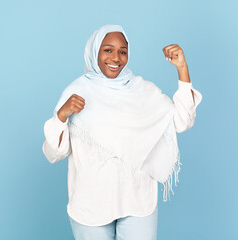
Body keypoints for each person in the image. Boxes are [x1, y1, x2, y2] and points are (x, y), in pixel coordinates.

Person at [42, 25, 202, 240]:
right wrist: (61, 116)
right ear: (94, 51)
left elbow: (182, 122)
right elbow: (54, 153)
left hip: (137, 201)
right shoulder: (76, 93)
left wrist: (182, 69)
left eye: (122, 51)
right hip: (91, 205)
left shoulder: (142, 91)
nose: (116, 58)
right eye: (108, 50)